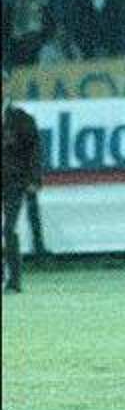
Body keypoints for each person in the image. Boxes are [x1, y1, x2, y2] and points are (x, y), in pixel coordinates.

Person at [2, 67, 45, 292]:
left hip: (13, 181)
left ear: (7, 86)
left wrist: (34, 179)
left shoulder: (21, 118)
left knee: (8, 229)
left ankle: (14, 280)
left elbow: (34, 151)